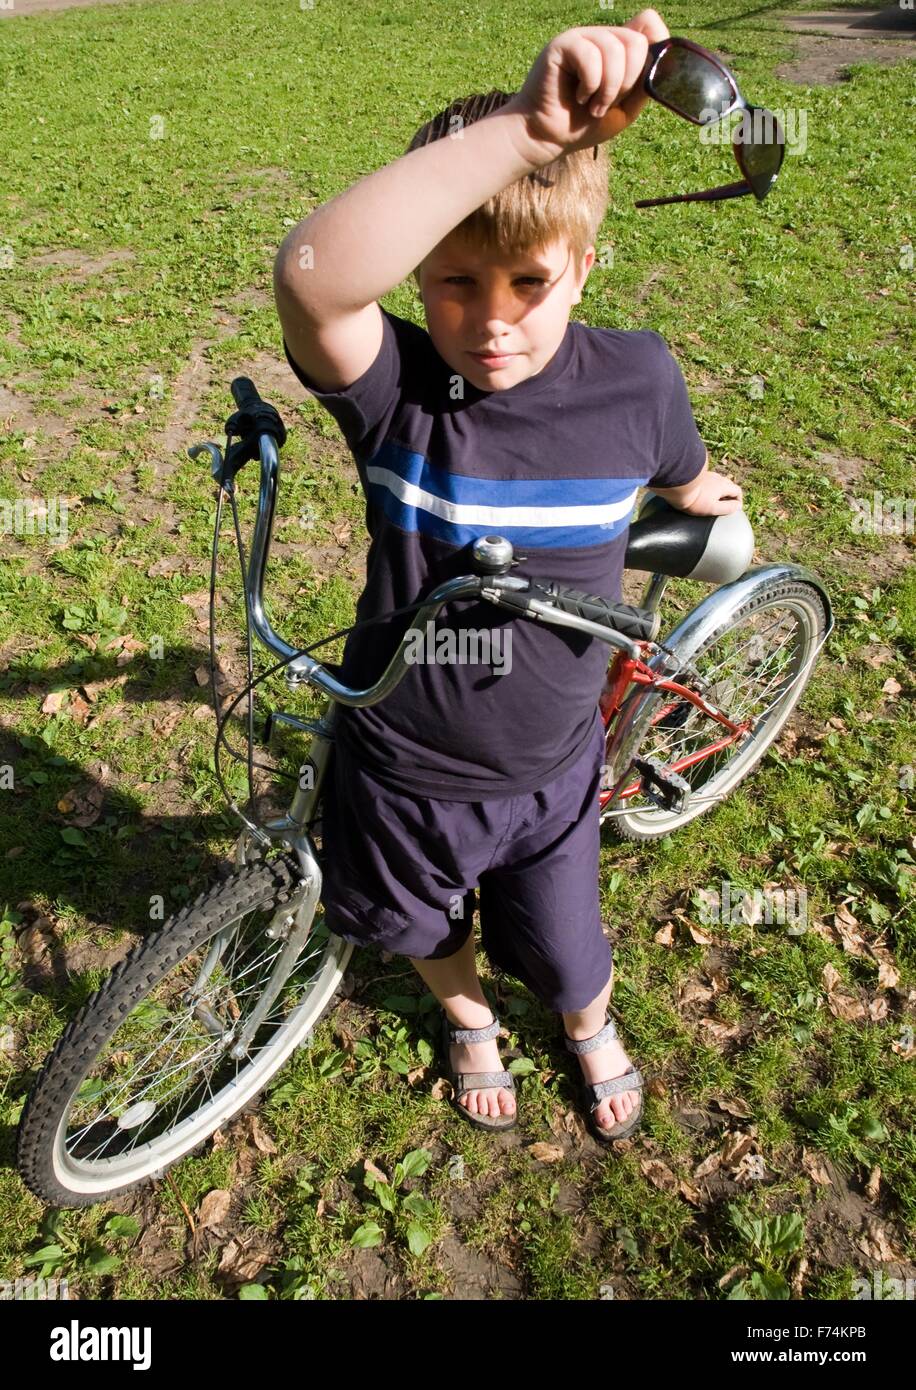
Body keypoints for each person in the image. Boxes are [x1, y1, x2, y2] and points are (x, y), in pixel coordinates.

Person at [273, 10, 743, 1139]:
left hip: (550, 768)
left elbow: (678, 462)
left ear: (584, 264)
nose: (489, 324)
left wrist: (697, 495)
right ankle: (469, 1013)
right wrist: (523, 135)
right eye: (452, 285)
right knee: (418, 920)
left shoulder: (634, 379)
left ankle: (584, 1022)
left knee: (570, 944)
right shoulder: (400, 394)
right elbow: (311, 278)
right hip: (398, 762)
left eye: (528, 282)